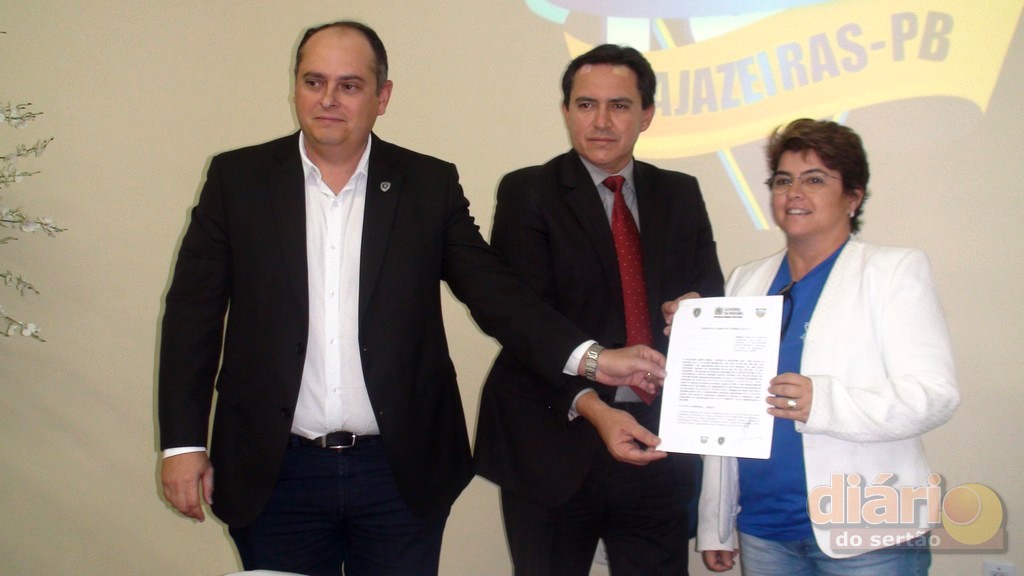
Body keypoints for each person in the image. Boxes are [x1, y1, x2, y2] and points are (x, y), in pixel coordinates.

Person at [158, 22, 668, 576]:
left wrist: (592, 359)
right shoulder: (238, 180)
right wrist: (182, 445)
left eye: (349, 85)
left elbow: (495, 294)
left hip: (398, 475)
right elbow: (192, 317)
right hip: (275, 471)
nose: (328, 99)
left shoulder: (427, 185)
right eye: (313, 81)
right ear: (295, 87)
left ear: (382, 97)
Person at [474, 44, 724, 576]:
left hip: (657, 444)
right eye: (586, 105)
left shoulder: (679, 193)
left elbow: (709, 292)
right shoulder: (529, 192)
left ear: (646, 115)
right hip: (555, 439)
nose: (602, 121)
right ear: (566, 111)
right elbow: (522, 322)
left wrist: (695, 310)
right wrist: (593, 405)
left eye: (620, 105)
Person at [675, 118, 959, 575]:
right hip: (763, 529)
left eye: (815, 180)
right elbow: (724, 413)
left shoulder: (892, 272)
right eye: (783, 180)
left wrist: (822, 403)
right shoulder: (746, 280)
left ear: (853, 197)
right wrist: (716, 524)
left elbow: (934, 395)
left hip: (869, 531)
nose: (794, 193)